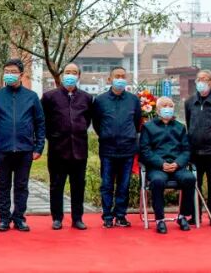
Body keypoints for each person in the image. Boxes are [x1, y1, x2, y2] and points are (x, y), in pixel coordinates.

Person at [0, 58, 45, 233]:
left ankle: (19, 218)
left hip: (25, 150)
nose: (9, 75)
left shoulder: (31, 97)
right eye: (7, 72)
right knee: (2, 186)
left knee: (21, 186)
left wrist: (38, 147)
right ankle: (4, 219)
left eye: (13, 72)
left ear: (21, 74)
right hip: (2, 149)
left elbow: (40, 123)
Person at [41, 62, 93, 231]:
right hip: (57, 149)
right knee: (56, 185)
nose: (70, 75)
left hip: (79, 149)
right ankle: (57, 218)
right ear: (63, 75)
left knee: (78, 185)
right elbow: (43, 121)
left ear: (79, 76)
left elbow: (87, 120)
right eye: (68, 72)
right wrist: (53, 136)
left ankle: (77, 218)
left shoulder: (86, 98)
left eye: (74, 72)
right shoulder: (49, 97)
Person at [91, 66, 140, 229]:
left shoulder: (133, 100)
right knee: (106, 185)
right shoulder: (100, 100)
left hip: (127, 149)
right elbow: (97, 123)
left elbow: (137, 122)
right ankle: (107, 216)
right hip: (108, 150)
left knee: (124, 185)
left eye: (123, 76)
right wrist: (107, 134)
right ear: (110, 79)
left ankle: (120, 215)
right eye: (117, 76)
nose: (120, 79)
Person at [139, 96, 195, 234]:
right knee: (158, 181)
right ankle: (160, 219)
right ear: (158, 109)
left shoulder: (180, 127)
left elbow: (186, 150)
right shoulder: (148, 127)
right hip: (157, 167)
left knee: (189, 178)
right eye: (164, 106)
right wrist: (161, 164)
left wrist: (177, 163)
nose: (168, 109)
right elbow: (145, 151)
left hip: (177, 165)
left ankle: (182, 216)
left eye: (170, 106)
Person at [183, 69, 211, 226]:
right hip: (194, 151)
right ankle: (195, 214)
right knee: (194, 183)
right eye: (199, 79)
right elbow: (189, 123)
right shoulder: (189, 102)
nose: (201, 82)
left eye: (205, 79)